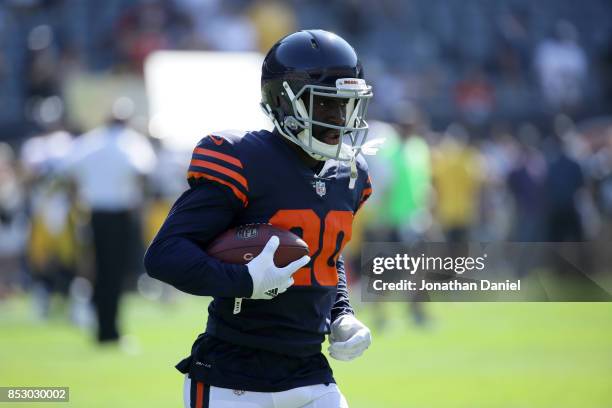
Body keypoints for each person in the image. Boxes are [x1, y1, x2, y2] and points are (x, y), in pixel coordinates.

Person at [145, 30, 374, 408]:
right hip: (230, 376)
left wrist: (341, 313)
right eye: (327, 106)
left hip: (310, 374)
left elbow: (323, 257)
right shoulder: (241, 159)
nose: (341, 120)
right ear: (285, 103)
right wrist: (245, 281)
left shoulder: (348, 175)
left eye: (348, 106)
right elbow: (164, 254)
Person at [61, 99, 156, 343]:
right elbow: (142, 173)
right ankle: (109, 330)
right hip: (120, 213)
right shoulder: (131, 141)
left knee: (101, 271)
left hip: (95, 213)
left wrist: (76, 201)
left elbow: (70, 171)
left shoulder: (91, 141)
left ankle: (102, 325)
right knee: (114, 274)